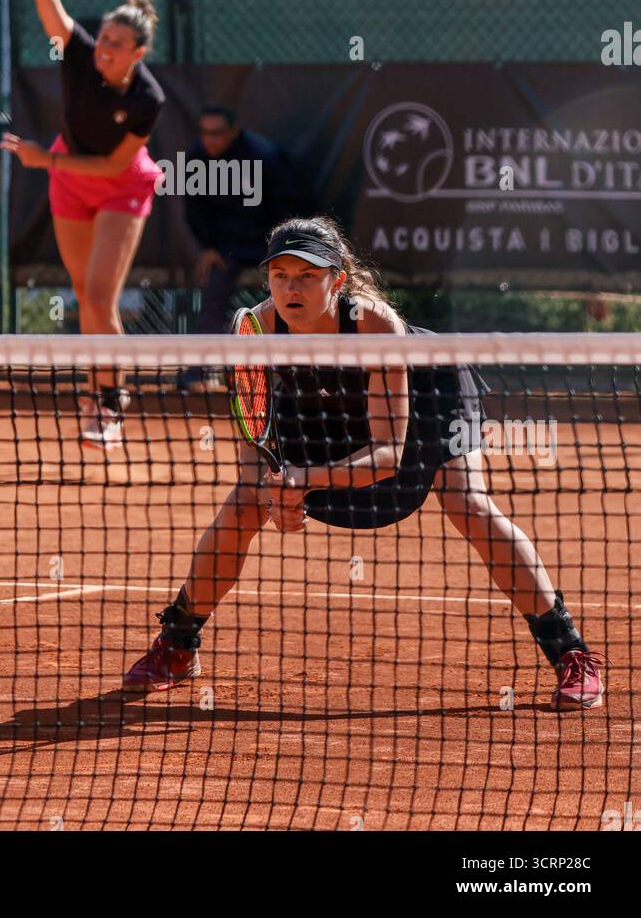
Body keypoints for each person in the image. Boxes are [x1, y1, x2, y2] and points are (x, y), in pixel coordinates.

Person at [124, 215, 605, 711]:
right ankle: (178, 644)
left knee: (468, 504)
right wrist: (272, 491)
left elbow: (387, 453)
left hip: (429, 391)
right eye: (281, 275)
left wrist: (303, 480)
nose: (293, 287)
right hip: (324, 404)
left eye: (309, 275)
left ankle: (570, 651)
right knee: (243, 503)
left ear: (339, 279)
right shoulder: (257, 330)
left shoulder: (375, 324)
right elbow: (254, 446)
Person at [1, 0, 165, 448]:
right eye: (105, 39)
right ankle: (100, 388)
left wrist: (43, 160)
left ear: (137, 53)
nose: (106, 49)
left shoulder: (148, 99)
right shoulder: (78, 52)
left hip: (121, 184)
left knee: (98, 296)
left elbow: (113, 164)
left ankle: (109, 404)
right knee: (83, 291)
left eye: (119, 44)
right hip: (69, 177)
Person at [184, 105, 297, 346]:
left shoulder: (265, 157)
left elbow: (286, 208)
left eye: (217, 132)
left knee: (286, 295)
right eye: (205, 132)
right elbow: (195, 210)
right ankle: (199, 373)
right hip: (227, 250)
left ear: (234, 132)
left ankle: (289, 368)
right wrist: (209, 247)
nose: (210, 139)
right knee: (213, 293)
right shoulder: (196, 159)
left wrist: (278, 250)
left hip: (269, 245)